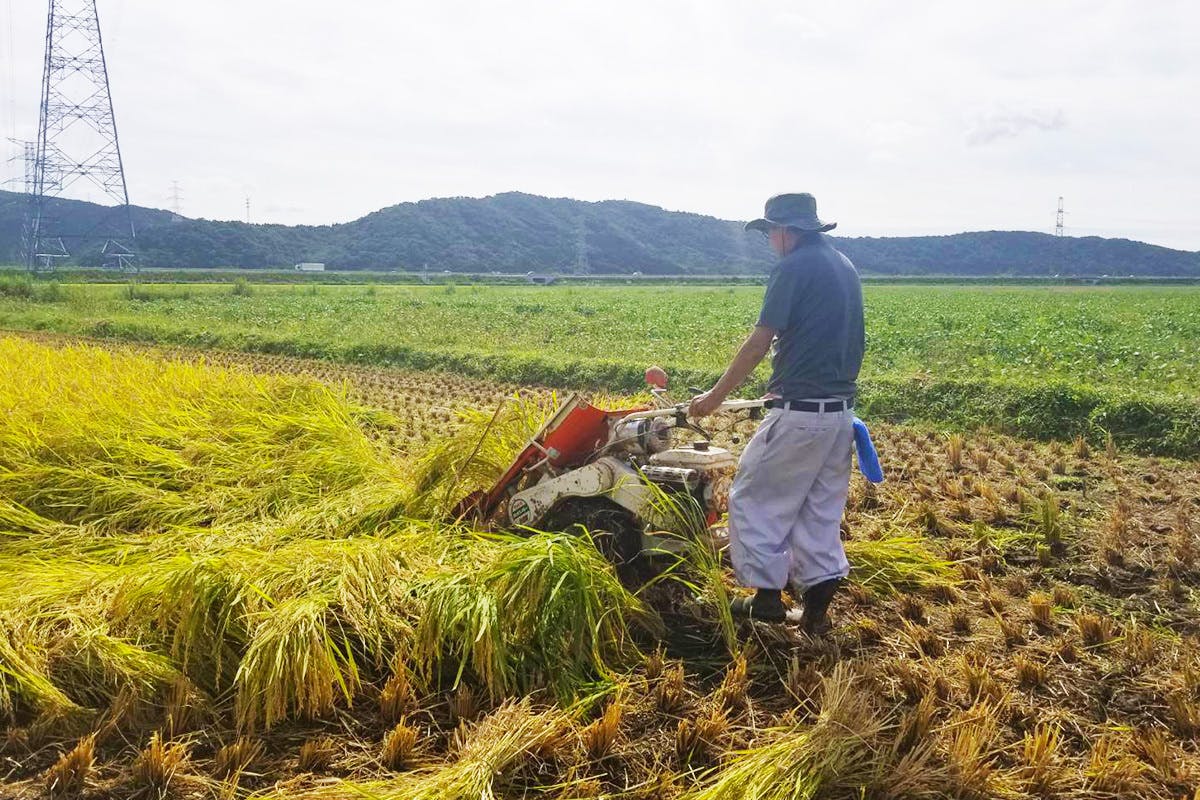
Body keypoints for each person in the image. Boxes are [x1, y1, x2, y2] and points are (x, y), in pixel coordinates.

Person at [688, 193, 864, 635]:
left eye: (770, 232)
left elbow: (758, 342)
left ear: (787, 231)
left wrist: (713, 396)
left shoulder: (793, 267)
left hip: (799, 412)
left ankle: (766, 600)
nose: (770, 241)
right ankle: (816, 614)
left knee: (752, 496)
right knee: (817, 511)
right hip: (839, 414)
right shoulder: (842, 265)